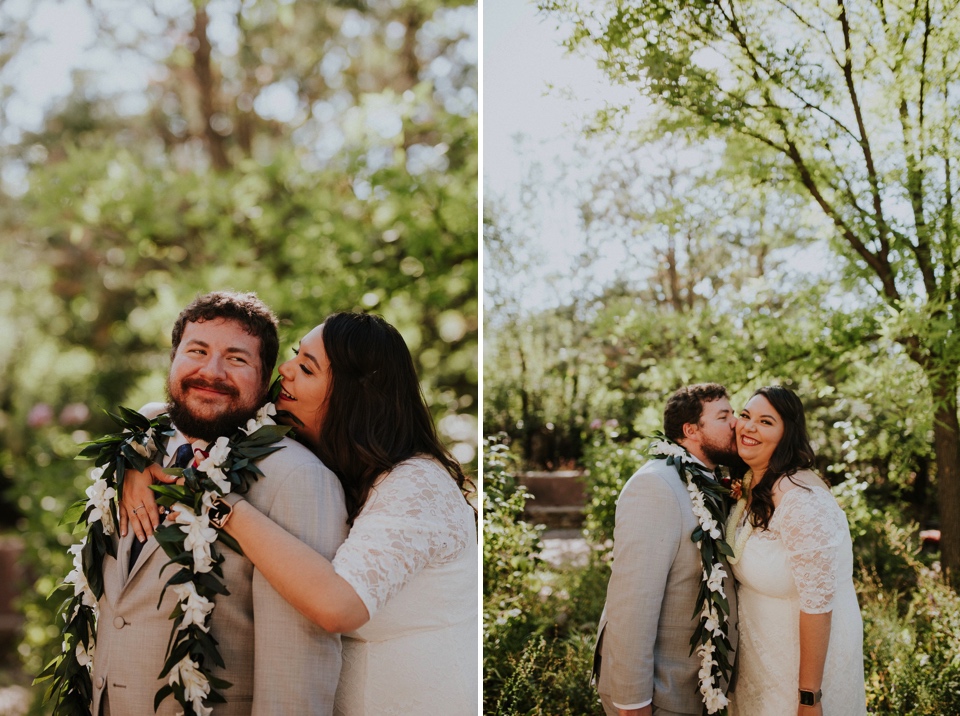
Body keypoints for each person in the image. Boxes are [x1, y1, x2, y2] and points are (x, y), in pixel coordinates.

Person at [123, 312, 478, 715]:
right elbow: (179, 418)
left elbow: (339, 606)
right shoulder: (327, 458)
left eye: (306, 368)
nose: (286, 371)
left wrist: (220, 506)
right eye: (295, 356)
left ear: (353, 394)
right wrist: (137, 458)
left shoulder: (417, 483)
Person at [95, 291, 348, 716]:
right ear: (173, 357)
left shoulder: (296, 478)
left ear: (266, 376)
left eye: (236, 359)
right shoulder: (140, 441)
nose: (210, 372)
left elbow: (295, 669)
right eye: (197, 351)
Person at [594, 383, 740, 716]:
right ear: (691, 430)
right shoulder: (655, 486)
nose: (735, 423)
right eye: (723, 416)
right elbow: (633, 603)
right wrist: (633, 703)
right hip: (661, 694)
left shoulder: (714, 481)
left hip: (699, 688)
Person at [726, 385, 866, 715]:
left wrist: (809, 697)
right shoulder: (755, 483)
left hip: (800, 673)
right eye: (745, 416)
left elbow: (818, 604)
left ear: (787, 435)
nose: (749, 426)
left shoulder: (801, 500)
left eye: (765, 421)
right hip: (762, 666)